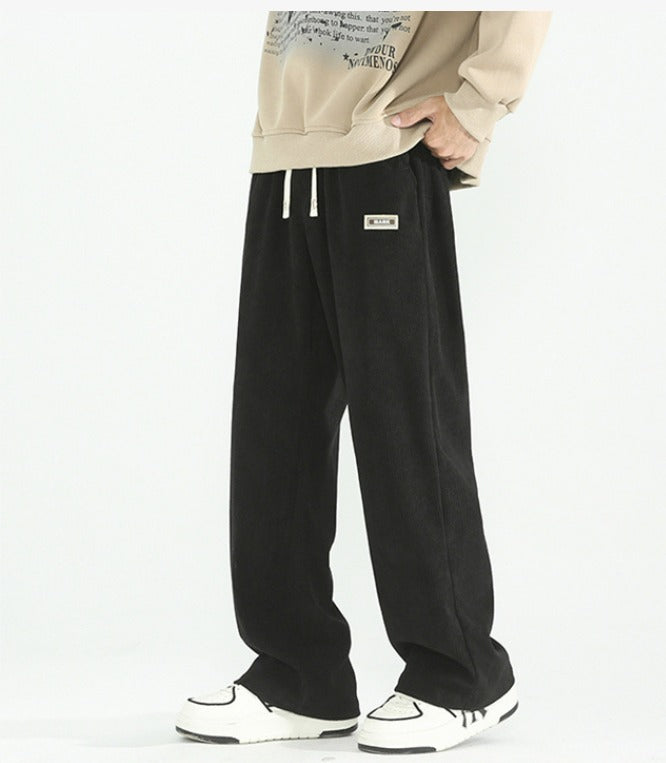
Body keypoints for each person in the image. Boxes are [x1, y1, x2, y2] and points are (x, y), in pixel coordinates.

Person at [175, 10, 551, 754]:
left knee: (405, 421)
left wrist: (478, 103)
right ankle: (300, 675)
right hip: (287, 154)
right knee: (274, 425)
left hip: (387, 145)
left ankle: (463, 672)